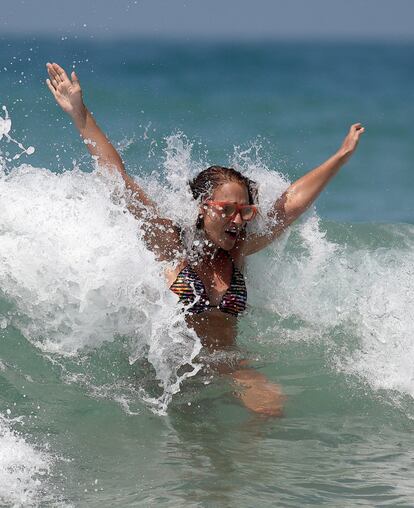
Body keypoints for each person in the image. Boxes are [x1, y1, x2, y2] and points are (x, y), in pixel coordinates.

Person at [46, 62, 364, 416]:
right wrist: (80, 114)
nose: (238, 220)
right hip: (170, 369)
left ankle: (247, 470)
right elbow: (120, 182)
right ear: (202, 208)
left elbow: (289, 205)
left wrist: (341, 156)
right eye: (228, 209)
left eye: (245, 211)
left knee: (271, 407)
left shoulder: (239, 252)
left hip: (226, 366)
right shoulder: (170, 242)